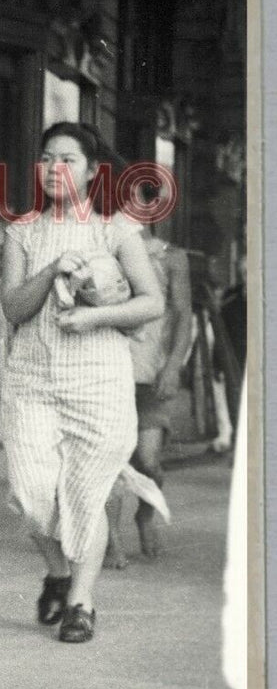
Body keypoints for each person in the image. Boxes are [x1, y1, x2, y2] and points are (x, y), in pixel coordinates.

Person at [0, 122, 165, 644]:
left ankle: (81, 603)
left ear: (92, 172)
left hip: (98, 380)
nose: (54, 169)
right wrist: (50, 271)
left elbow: (151, 301)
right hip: (33, 380)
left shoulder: (114, 229)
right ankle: (57, 571)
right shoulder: (21, 231)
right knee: (32, 497)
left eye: (67, 160)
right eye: (47, 159)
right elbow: (13, 308)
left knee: (86, 494)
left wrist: (93, 318)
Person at [105, 183, 192, 566]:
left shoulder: (172, 258)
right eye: (124, 201)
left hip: (154, 372)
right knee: (107, 459)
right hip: (112, 369)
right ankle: (108, 539)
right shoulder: (106, 250)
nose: (131, 209)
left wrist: (174, 365)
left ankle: (144, 514)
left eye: (138, 201)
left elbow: (184, 317)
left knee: (148, 460)